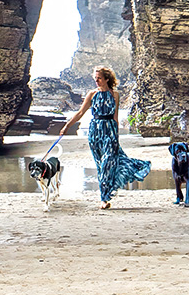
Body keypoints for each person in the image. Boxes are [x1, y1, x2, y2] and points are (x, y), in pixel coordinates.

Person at [63, 66, 152, 208]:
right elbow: (80, 113)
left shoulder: (114, 94)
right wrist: (67, 126)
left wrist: (116, 136)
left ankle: (104, 199)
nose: (96, 81)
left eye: (99, 78)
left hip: (109, 131)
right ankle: (104, 197)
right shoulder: (92, 94)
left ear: (106, 79)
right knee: (100, 165)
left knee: (107, 164)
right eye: (95, 78)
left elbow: (115, 117)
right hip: (95, 132)